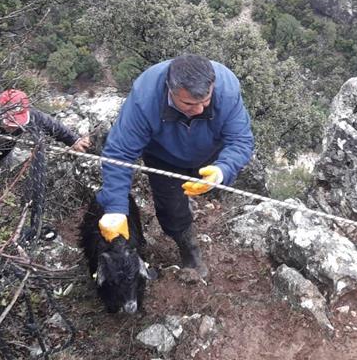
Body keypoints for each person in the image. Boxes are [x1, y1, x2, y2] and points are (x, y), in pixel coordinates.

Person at [96, 54, 254, 279]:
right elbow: (119, 153)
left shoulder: (227, 90)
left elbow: (241, 140)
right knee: (171, 209)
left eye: (206, 100)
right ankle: (188, 249)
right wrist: (115, 209)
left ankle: (201, 199)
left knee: (214, 187)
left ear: (213, 87)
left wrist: (222, 170)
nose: (199, 109)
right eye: (189, 103)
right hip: (164, 158)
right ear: (170, 89)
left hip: (210, 154)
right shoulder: (146, 97)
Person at [0, 89, 91, 190]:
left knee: (0, 182)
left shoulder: (21, 108)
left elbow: (48, 123)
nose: (13, 128)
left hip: (1, 152)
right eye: (9, 124)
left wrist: (73, 140)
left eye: (17, 124)